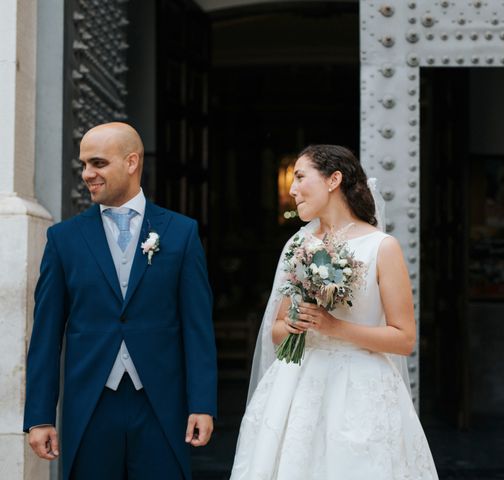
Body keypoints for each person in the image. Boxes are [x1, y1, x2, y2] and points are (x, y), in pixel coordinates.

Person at [230, 145, 438, 479]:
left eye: (300, 177)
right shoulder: (298, 245)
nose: (292, 188)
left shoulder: (381, 248)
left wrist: (333, 327)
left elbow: (404, 340)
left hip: (361, 390)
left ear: (333, 180)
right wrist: (297, 323)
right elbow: (277, 329)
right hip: (297, 388)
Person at [23, 122, 218, 479]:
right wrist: (39, 416)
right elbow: (46, 336)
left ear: (131, 162)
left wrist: (202, 403)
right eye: (83, 165)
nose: (87, 174)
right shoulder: (63, 240)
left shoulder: (181, 233)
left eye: (97, 163)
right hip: (90, 405)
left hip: (161, 404)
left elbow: (197, 328)